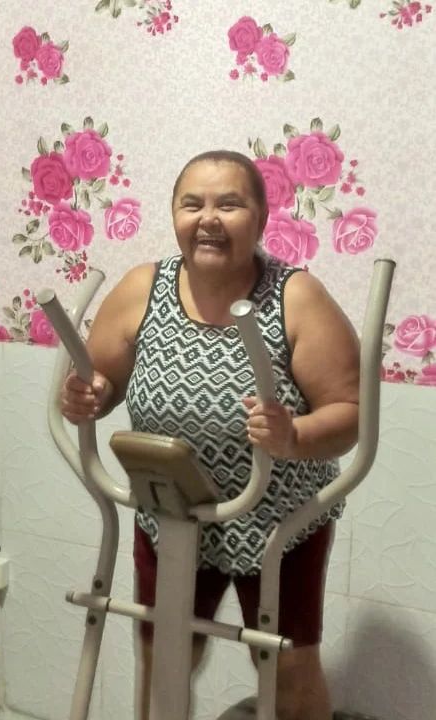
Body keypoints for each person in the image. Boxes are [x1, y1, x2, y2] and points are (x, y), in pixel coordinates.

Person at [61, 150, 360, 720]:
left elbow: (349, 413)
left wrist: (294, 435)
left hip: (278, 522)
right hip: (170, 509)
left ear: (261, 218)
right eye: (192, 204)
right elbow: (99, 381)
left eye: (229, 204)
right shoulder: (143, 287)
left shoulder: (296, 296)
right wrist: (87, 396)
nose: (208, 219)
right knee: (163, 656)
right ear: (174, 214)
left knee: (287, 667)